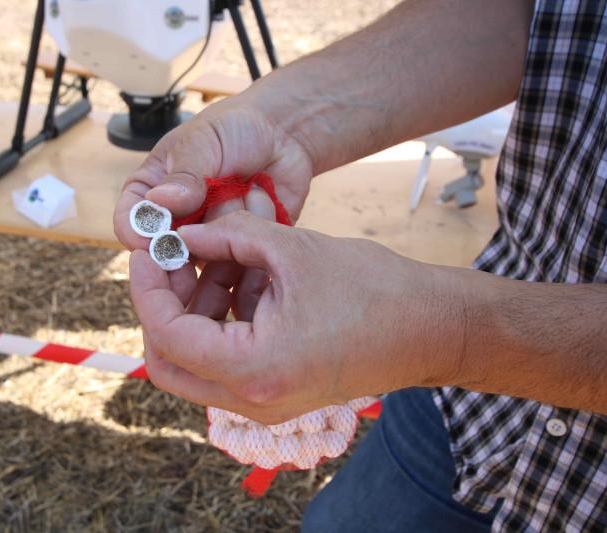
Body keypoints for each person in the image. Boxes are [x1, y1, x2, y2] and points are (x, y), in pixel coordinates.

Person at [113, 0, 606, 530]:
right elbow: (544, 14)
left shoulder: (441, 338)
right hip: (470, 414)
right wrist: (281, 125)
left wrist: (445, 335)